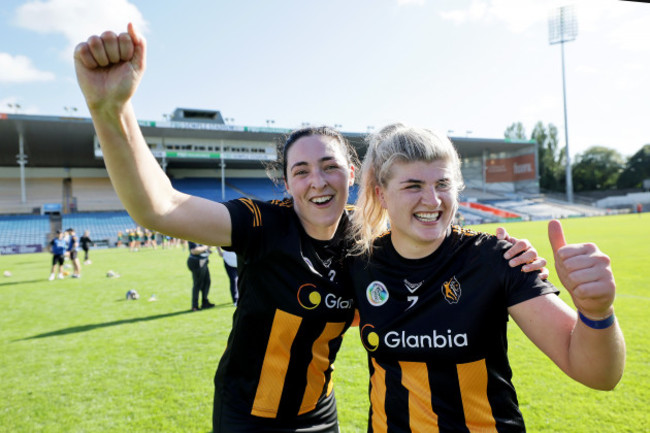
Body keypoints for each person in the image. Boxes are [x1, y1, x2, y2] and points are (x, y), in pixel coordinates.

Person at [73, 25, 546, 432]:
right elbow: (161, 207)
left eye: (329, 167)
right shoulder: (262, 224)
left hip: (319, 417)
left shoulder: (369, 250)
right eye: (300, 171)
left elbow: (434, 260)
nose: (317, 182)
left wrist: (501, 255)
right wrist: (110, 110)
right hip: (246, 417)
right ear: (286, 183)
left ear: (354, 174)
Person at [347, 124, 626, 432]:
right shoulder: (361, 265)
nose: (433, 200)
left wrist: (597, 311)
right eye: (413, 186)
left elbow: (599, 375)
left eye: (443, 184)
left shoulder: (497, 259)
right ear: (381, 195)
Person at [188, 241, 215, 311]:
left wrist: (207, 250)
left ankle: (205, 302)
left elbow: (201, 248)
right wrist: (207, 246)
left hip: (203, 261)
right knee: (197, 284)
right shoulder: (193, 236)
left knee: (207, 282)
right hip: (197, 262)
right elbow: (194, 251)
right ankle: (194, 306)